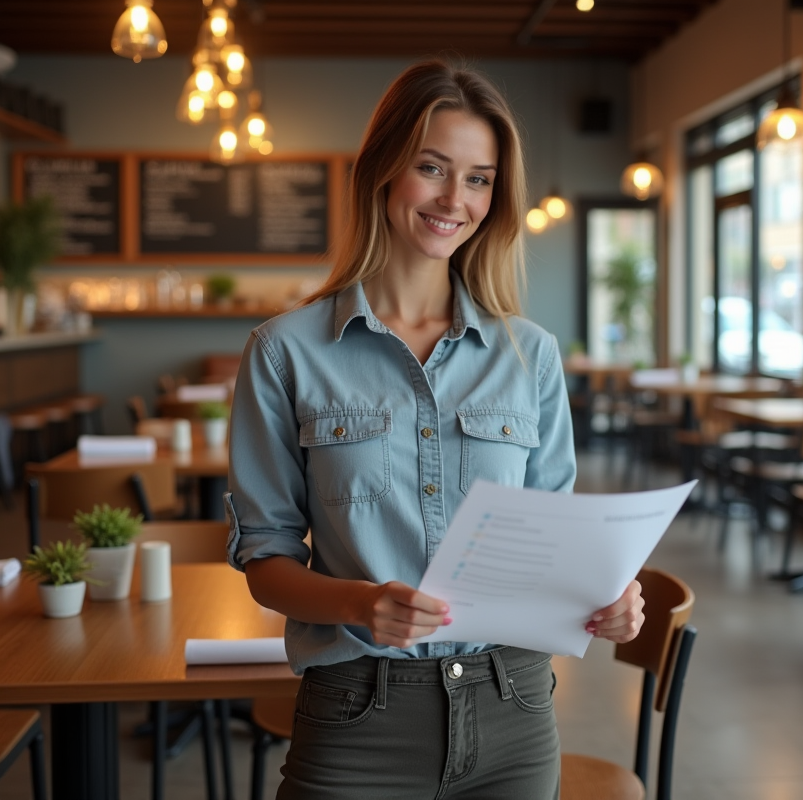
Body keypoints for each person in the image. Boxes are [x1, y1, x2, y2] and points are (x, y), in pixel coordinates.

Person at [226, 59, 644, 799]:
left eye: (479, 178)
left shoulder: (531, 355)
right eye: (433, 167)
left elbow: (555, 549)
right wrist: (359, 603)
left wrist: (608, 597)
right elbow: (266, 562)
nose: (456, 199)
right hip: (357, 715)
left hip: (513, 710)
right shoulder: (283, 352)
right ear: (384, 169)